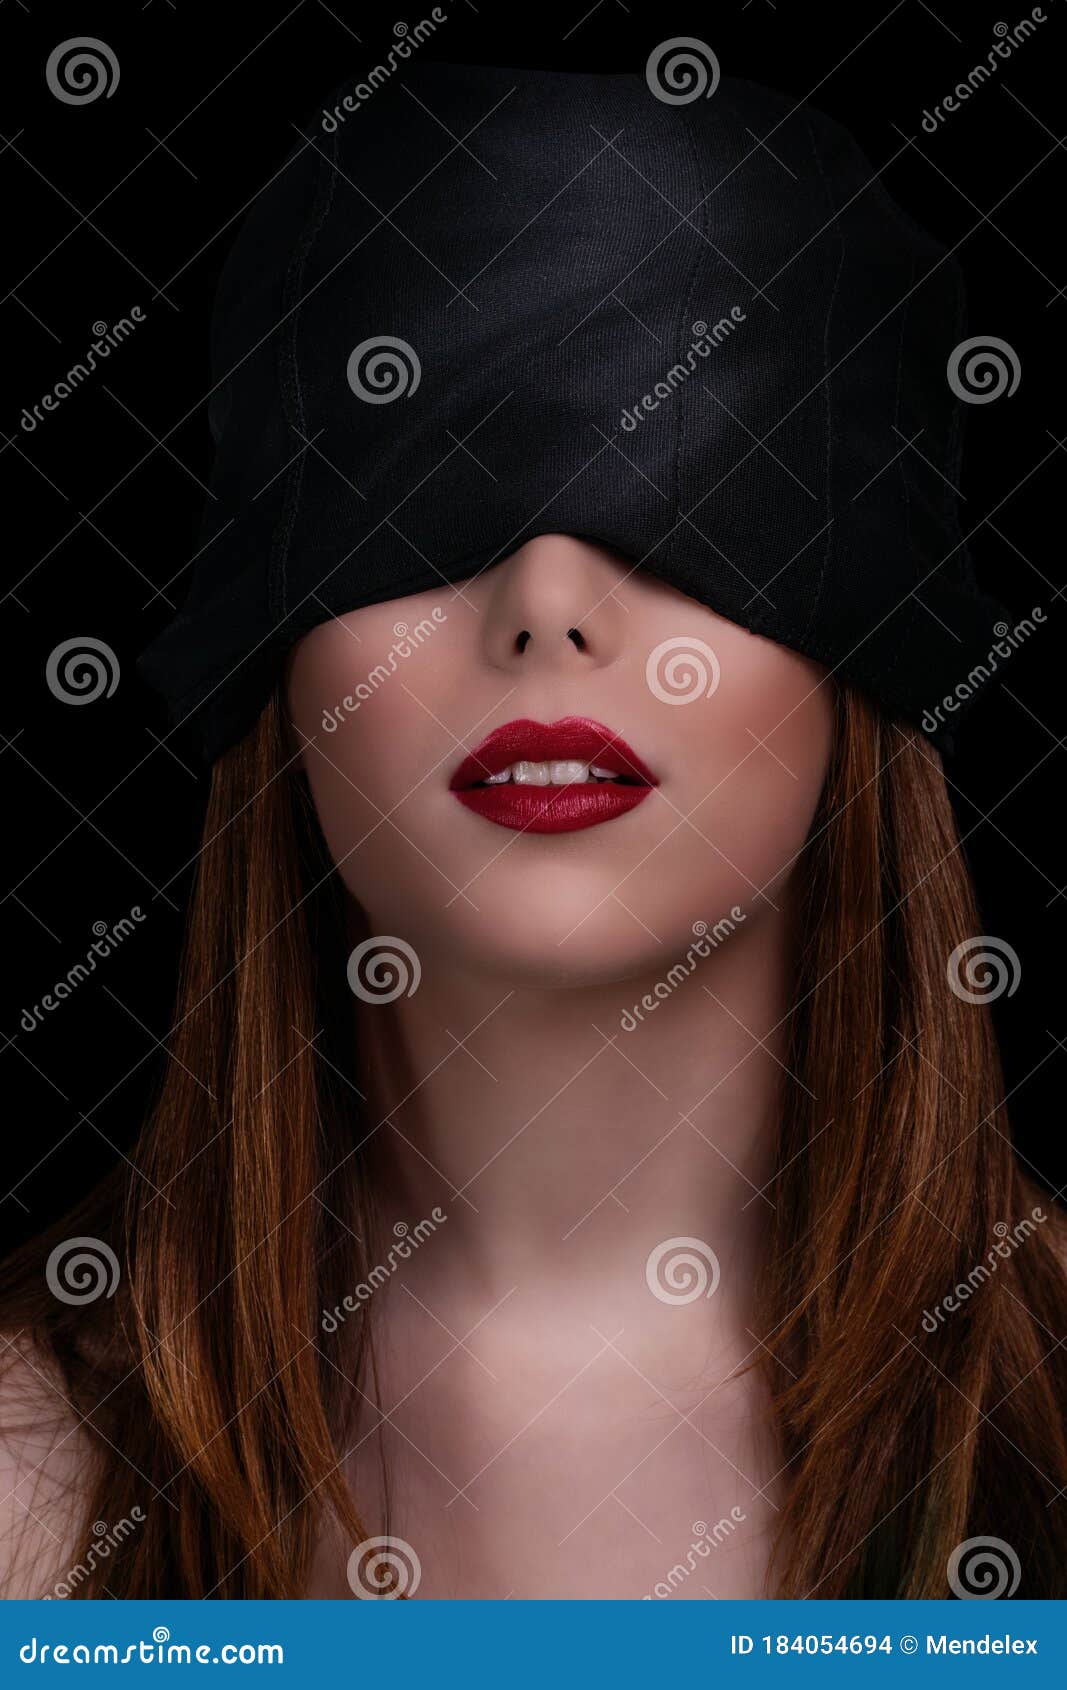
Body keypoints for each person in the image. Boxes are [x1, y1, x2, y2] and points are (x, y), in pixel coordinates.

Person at [2, 59, 1064, 1601]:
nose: (548, 613)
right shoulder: (29, 1487)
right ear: (272, 647)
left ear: (866, 650)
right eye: (419, 487)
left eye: (707, 485)